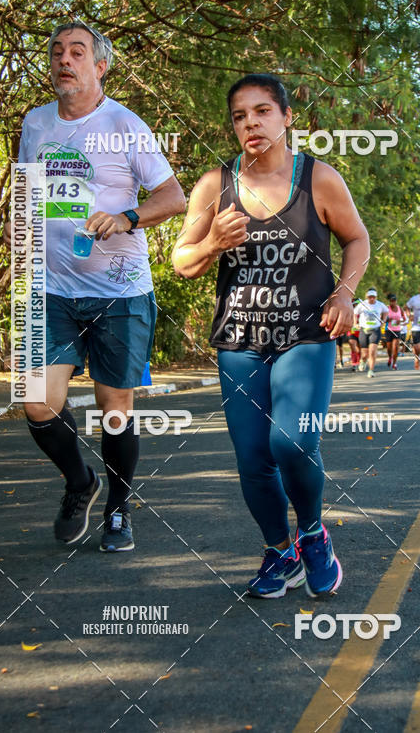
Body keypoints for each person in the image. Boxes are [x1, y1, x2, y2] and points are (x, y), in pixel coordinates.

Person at [172, 73, 369, 598]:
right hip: (240, 340)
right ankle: (280, 552)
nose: (251, 123)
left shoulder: (319, 179)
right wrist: (211, 243)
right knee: (253, 457)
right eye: (240, 116)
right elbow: (182, 261)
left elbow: (356, 238)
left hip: (306, 333)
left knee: (293, 441)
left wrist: (344, 295)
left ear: (286, 117)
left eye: (262, 111)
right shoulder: (215, 186)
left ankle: (313, 535)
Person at [4, 21, 185, 551]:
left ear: (100, 67)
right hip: (52, 288)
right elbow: (27, 192)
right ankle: (80, 482)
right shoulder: (36, 122)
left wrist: (127, 217)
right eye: (57, 51)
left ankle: (118, 509)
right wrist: (20, 229)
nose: (64, 59)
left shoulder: (125, 124)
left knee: (115, 410)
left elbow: (172, 196)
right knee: (37, 401)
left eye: (77, 52)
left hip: (119, 291)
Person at [354, 289, 388, 379]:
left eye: (373, 297)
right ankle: (363, 360)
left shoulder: (380, 304)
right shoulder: (362, 304)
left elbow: (386, 311)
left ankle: (371, 370)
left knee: (372, 351)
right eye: (370, 297)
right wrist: (355, 323)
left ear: (376, 297)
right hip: (364, 330)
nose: (372, 299)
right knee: (364, 354)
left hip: (375, 330)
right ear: (367, 297)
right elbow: (355, 313)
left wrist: (383, 320)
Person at [385, 293, 406, 369]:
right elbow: (382, 319)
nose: (393, 302)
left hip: (397, 330)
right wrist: (388, 319)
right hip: (388, 330)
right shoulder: (387, 308)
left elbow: (404, 318)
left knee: (395, 347)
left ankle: (394, 363)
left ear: (396, 301)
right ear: (389, 301)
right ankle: (390, 357)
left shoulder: (400, 308)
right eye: (391, 301)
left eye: (394, 301)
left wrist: (400, 321)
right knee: (389, 348)